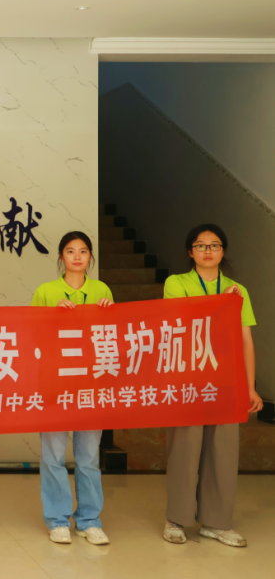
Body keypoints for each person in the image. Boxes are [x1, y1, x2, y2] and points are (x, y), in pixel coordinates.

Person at [162, 224, 263, 548]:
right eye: (201, 245)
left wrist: (250, 386)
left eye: (215, 245)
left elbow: (246, 340)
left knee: (223, 452)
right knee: (184, 449)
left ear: (223, 251)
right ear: (190, 252)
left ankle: (216, 522)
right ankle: (176, 519)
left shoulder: (238, 290)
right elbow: (181, 322)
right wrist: (222, 303)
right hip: (187, 380)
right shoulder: (176, 283)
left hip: (225, 381)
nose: (208, 251)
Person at [30, 231, 113, 546]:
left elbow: (113, 336)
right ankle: (57, 519)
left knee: (88, 457)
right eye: (70, 250)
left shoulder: (102, 290)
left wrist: (110, 313)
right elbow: (32, 337)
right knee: (53, 455)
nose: (77, 256)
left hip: (91, 385)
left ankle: (89, 520)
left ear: (90, 257)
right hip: (55, 384)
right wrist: (52, 318)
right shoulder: (46, 291)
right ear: (61, 256)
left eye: (83, 251)